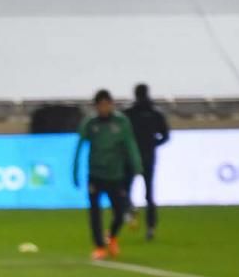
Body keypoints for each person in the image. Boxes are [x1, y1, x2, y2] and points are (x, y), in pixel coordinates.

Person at [72, 89, 142, 260]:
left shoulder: (121, 122)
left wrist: (137, 164)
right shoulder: (90, 123)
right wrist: (74, 170)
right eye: (100, 105)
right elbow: (79, 145)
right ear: (96, 106)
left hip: (115, 174)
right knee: (94, 211)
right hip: (95, 174)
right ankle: (99, 246)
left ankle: (111, 236)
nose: (103, 108)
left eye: (106, 104)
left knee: (119, 213)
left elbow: (130, 144)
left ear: (111, 104)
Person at [123, 83, 170, 240]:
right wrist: (152, 144)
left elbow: (123, 135)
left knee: (125, 190)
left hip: (132, 157)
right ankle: (150, 227)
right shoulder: (155, 113)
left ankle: (130, 212)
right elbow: (165, 136)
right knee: (149, 194)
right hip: (148, 157)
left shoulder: (129, 113)